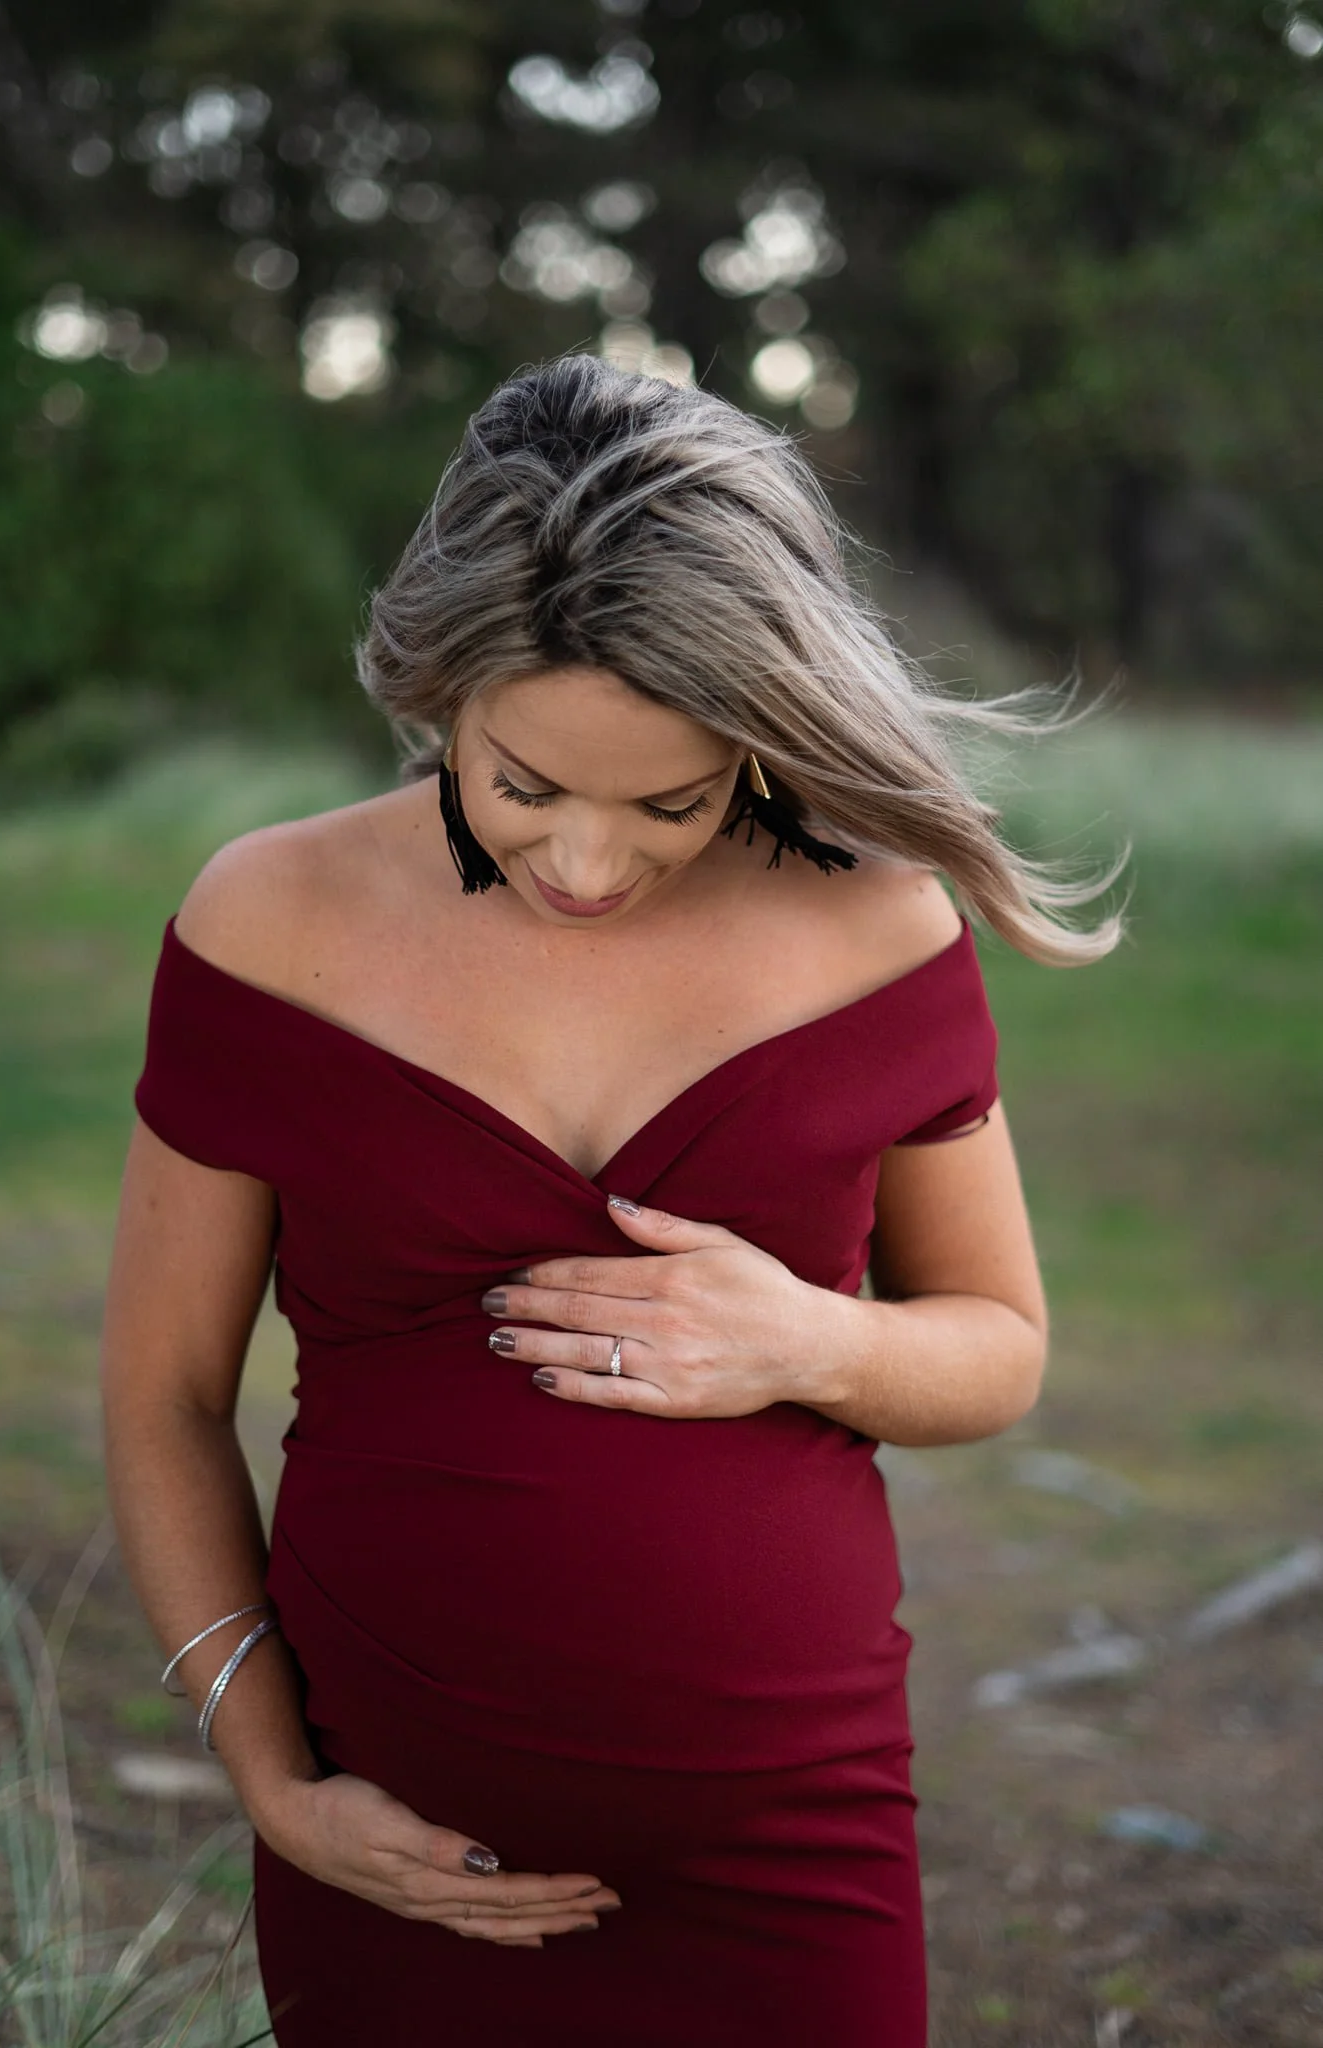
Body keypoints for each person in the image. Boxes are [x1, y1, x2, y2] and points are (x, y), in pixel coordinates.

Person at [100, 352, 1120, 2046]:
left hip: (787, 1855)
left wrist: (808, 1340)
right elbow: (164, 1395)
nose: (587, 865)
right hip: (395, 1855)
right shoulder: (265, 926)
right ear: (438, 693)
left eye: (672, 801)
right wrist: (271, 1777)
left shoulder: (879, 929)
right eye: (523, 789)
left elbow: (998, 1347)